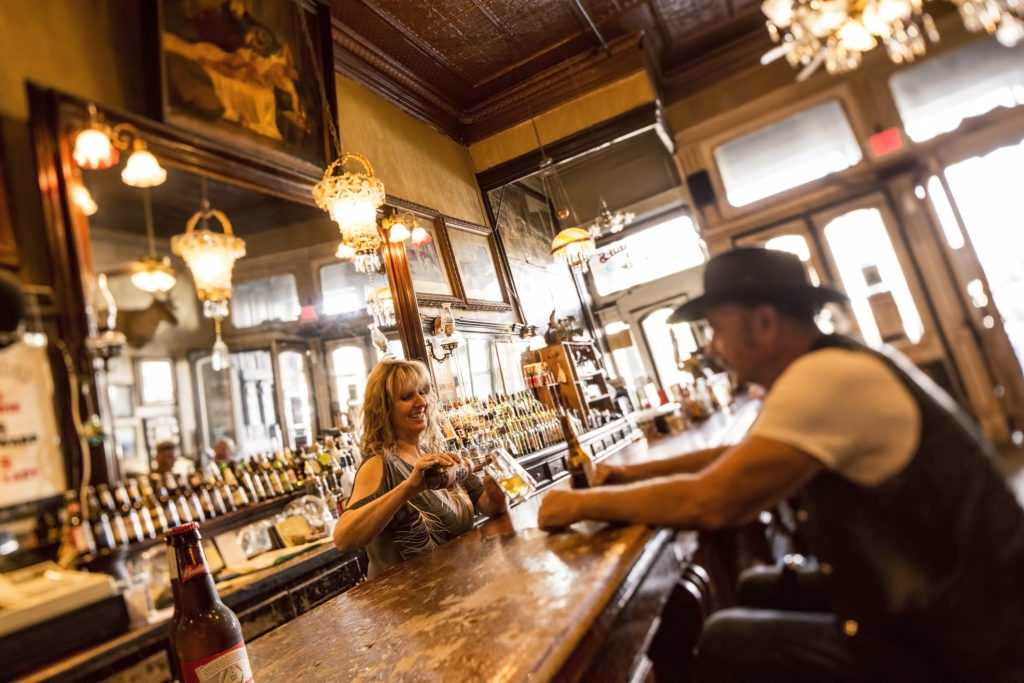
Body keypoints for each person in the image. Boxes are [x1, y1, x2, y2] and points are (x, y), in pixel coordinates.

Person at [538, 247, 1024, 681]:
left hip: (966, 640)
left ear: (765, 322)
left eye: (717, 329)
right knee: (752, 585)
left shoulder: (822, 379)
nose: (710, 348)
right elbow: (740, 458)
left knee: (724, 639)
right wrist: (627, 474)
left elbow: (713, 501)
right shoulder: (827, 363)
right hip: (942, 593)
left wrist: (581, 503)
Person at [333, 359, 508, 578]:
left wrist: (496, 490)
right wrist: (408, 489)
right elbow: (343, 539)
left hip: (456, 588)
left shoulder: (433, 455)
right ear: (384, 409)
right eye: (407, 397)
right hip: (407, 603)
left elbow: (489, 506)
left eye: (423, 392)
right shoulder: (379, 464)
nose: (421, 401)